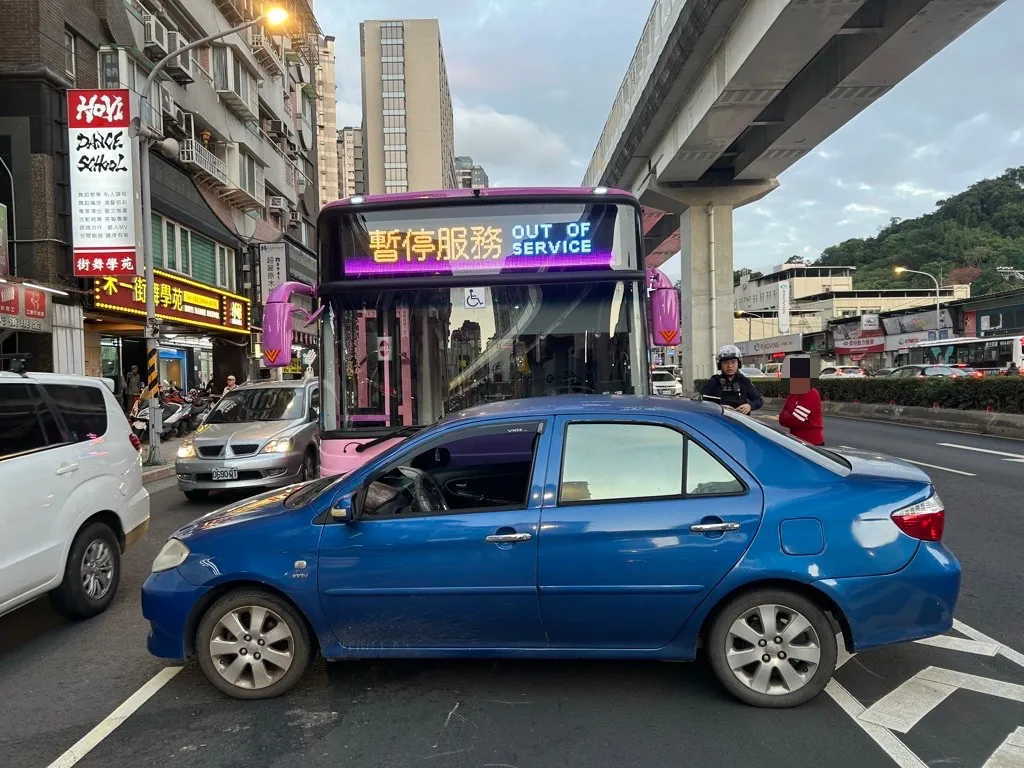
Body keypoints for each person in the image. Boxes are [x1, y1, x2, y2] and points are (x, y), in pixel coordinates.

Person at [701, 345, 763, 415]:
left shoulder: (744, 381)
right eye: (725, 363)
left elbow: (758, 400)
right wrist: (719, 407)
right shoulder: (714, 382)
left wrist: (749, 406)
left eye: (733, 362)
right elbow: (701, 401)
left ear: (738, 363)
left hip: (741, 420)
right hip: (720, 420)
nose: (730, 366)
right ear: (719, 365)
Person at [778, 355, 825, 446]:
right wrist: (788, 416)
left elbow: (796, 421)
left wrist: (787, 415)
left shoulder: (810, 392)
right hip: (796, 442)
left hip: (812, 443)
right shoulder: (794, 392)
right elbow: (781, 419)